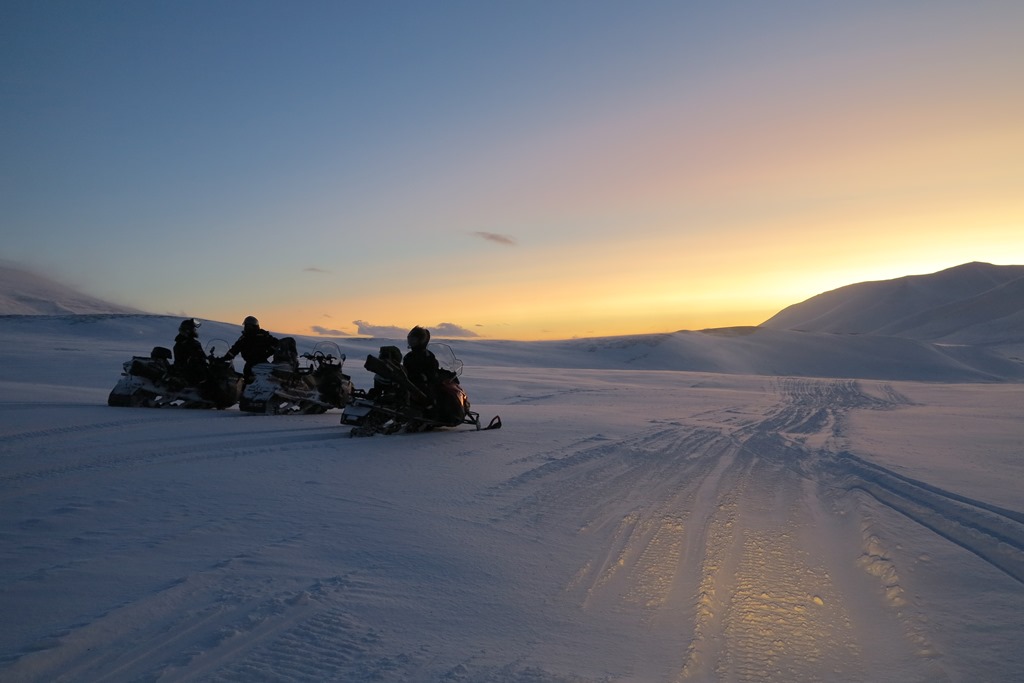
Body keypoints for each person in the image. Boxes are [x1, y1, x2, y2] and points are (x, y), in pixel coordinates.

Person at [224, 315, 280, 380]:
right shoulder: (244, 338)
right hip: (252, 364)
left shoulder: (263, 336)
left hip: (261, 364)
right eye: (246, 326)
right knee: (246, 380)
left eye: (247, 326)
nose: (246, 328)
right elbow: (234, 350)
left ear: (252, 326)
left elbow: (277, 343)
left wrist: (268, 353)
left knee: (255, 379)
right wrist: (224, 358)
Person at [402, 325, 440, 395]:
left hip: (423, 391)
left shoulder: (428, 356)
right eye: (409, 338)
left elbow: (432, 375)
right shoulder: (408, 356)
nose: (410, 341)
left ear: (420, 340)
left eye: (413, 339)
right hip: (410, 389)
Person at [172, 318, 208, 384]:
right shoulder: (182, 343)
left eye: (194, 329)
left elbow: (201, 355)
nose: (195, 331)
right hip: (187, 371)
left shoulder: (192, 342)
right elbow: (183, 360)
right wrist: (195, 359)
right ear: (188, 330)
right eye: (193, 329)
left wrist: (210, 358)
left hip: (194, 369)